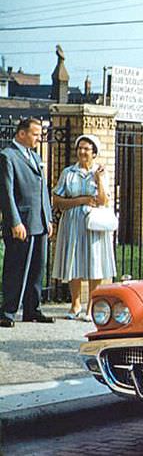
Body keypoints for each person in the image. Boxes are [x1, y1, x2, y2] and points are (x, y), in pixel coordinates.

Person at [52, 134, 116, 321]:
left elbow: (104, 201)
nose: (82, 152)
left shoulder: (102, 173)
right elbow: (57, 200)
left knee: (94, 261)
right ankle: (75, 304)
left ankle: (91, 306)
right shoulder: (68, 173)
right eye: (80, 148)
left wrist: (98, 180)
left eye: (87, 149)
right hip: (72, 221)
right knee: (73, 260)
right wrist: (81, 200)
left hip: (94, 222)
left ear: (94, 152)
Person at [0, 118, 54, 327]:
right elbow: (6, 192)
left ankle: (33, 308)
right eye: (35, 134)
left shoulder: (35, 156)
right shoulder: (7, 157)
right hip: (21, 223)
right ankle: (9, 311)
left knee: (37, 268)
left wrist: (47, 217)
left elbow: (42, 190)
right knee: (16, 267)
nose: (38, 138)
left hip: (38, 221)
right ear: (21, 134)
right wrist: (14, 221)